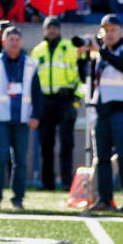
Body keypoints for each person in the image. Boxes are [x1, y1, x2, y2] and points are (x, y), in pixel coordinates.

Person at [83, 14, 123, 212]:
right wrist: (85, 56)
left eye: (113, 30)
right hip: (103, 110)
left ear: (121, 32)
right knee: (101, 157)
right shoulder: (100, 54)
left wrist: (100, 51)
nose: (109, 34)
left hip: (122, 110)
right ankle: (105, 199)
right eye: (106, 30)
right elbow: (87, 77)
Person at [0, 26, 42, 209]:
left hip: (23, 118)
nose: (14, 43)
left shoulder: (32, 64)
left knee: (20, 161)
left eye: (17, 39)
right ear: (4, 42)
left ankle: (18, 199)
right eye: (11, 39)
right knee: (0, 157)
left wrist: (36, 115)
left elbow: (37, 94)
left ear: (22, 42)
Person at [30, 16, 80, 191]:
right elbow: (33, 80)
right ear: (44, 30)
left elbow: (80, 74)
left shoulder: (70, 47)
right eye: (48, 27)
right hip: (45, 101)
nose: (51, 30)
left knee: (67, 143)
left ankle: (67, 182)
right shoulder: (37, 51)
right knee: (46, 144)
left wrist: (77, 98)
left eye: (54, 27)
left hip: (66, 99)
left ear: (59, 30)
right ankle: (47, 183)